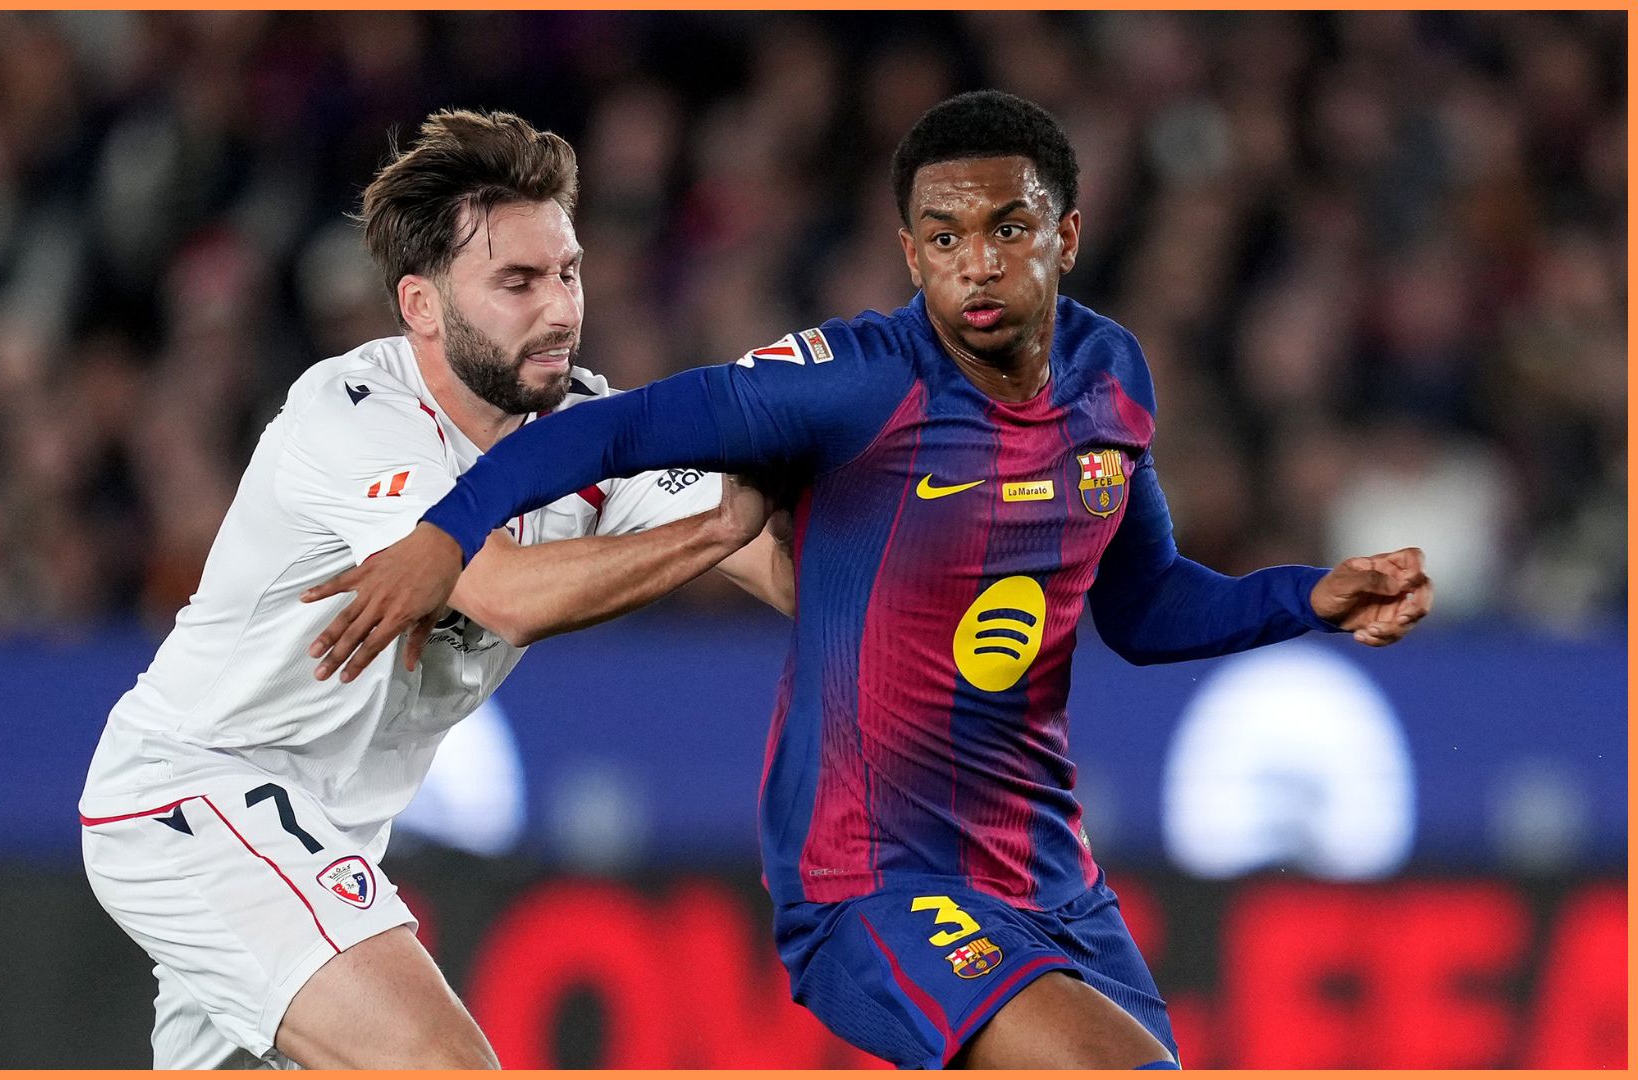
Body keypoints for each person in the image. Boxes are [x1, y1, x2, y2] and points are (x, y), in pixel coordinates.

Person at [316, 91, 1434, 1069]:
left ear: (1069, 234)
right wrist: (447, 535)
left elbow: (1143, 609)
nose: (979, 263)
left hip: (1052, 883)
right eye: (944, 238)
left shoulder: (1111, 381)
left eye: (1010, 228)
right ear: (910, 254)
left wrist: (1306, 597)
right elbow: (614, 430)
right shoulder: (851, 385)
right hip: (873, 885)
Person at [78, 109, 788, 1070]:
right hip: (195, 795)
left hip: (321, 836)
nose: (561, 310)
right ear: (421, 305)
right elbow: (499, 593)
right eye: (518, 282)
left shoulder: (587, 428)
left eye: (568, 272)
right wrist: (716, 525)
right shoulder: (355, 414)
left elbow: (778, 558)